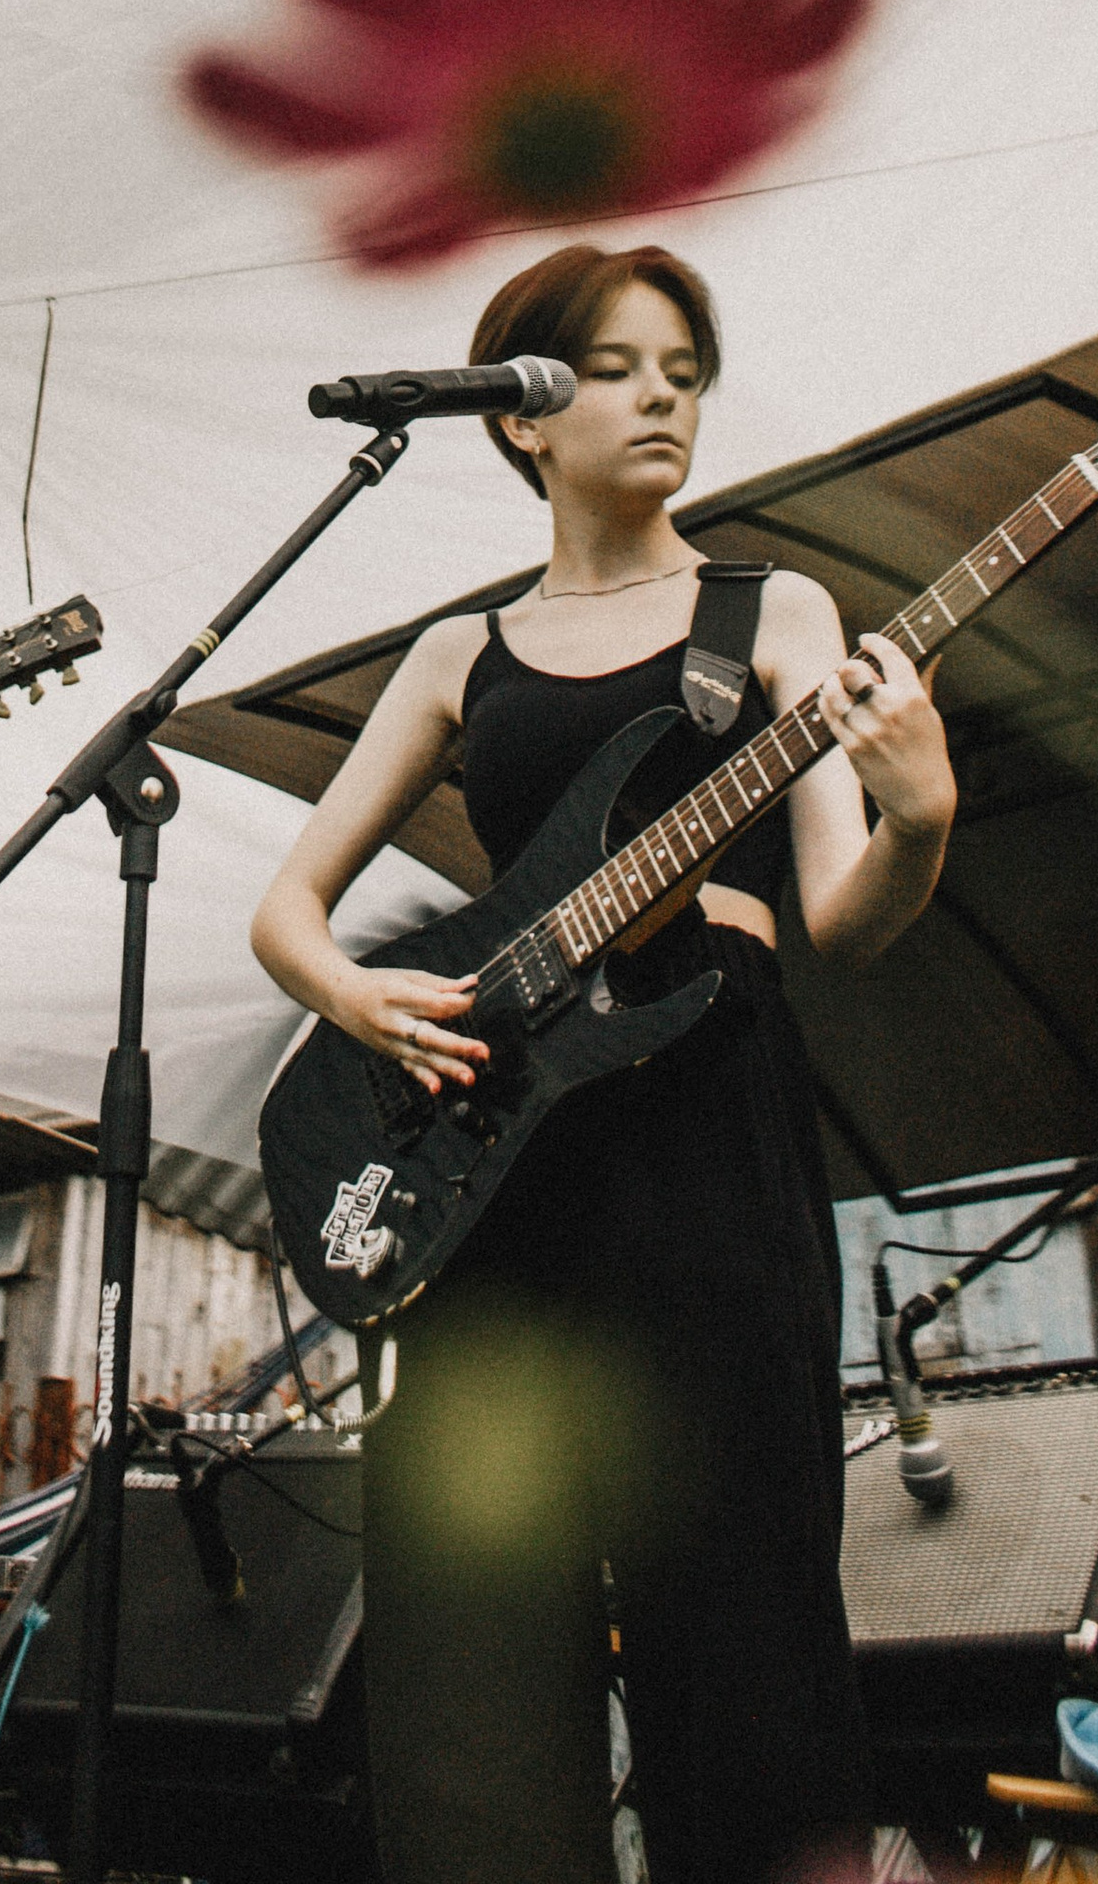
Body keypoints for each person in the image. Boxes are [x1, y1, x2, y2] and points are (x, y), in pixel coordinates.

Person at [252, 245, 956, 1884]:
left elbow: (841, 916)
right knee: (477, 1631)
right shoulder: (458, 654)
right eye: (623, 367)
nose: (663, 396)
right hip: (493, 1155)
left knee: (745, 1608)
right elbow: (291, 907)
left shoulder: (772, 613)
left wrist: (919, 812)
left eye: (686, 370)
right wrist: (359, 1005)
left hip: (708, 1134)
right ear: (524, 418)